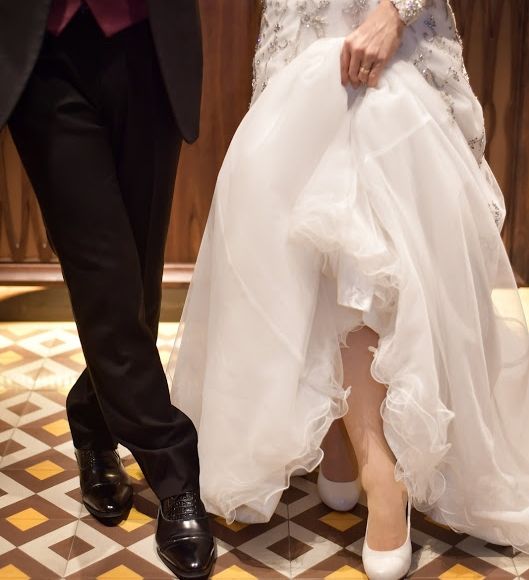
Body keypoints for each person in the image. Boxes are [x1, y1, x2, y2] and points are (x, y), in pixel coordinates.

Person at [168, 0, 529, 578]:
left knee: (368, 234)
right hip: (299, 24)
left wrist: (394, 12)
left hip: (389, 31)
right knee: (304, 228)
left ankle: (381, 471)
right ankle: (346, 434)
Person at [0, 1, 215, 578]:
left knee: (137, 285)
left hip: (149, 44)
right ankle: (175, 472)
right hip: (42, 53)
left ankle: (93, 419)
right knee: (105, 279)